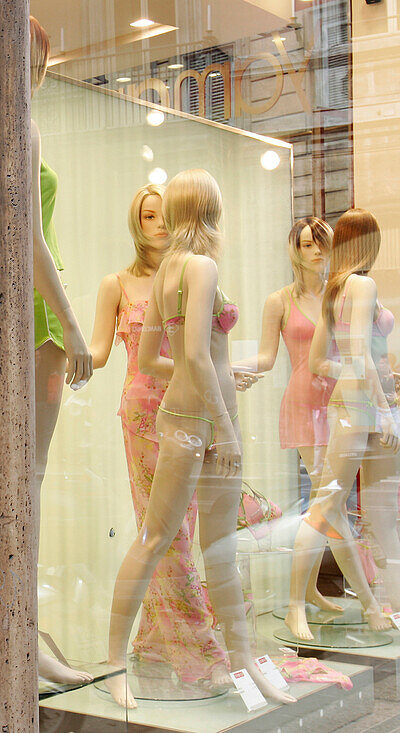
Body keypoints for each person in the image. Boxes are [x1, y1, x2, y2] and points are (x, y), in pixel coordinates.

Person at [104, 169, 295, 709]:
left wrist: (219, 373)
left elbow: (152, 361)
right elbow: (189, 356)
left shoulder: (168, 270)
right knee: (192, 546)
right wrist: (227, 429)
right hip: (203, 427)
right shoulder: (202, 266)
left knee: (184, 544)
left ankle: (241, 664)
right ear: (210, 209)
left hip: (185, 418)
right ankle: (126, 666)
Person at [89, 184, 228, 686]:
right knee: (162, 533)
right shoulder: (118, 284)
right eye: (149, 216)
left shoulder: (185, 273)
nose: (159, 224)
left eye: (165, 215)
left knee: (178, 531)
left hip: (188, 409)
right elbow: (101, 351)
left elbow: (200, 351)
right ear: (137, 222)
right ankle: (199, 650)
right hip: (144, 411)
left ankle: (153, 643)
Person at [286, 209, 400, 639]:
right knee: (333, 504)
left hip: (356, 397)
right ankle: (295, 604)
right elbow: (359, 351)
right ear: (369, 243)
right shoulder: (361, 284)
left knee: (360, 510)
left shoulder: (336, 289)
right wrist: (383, 407)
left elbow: (325, 359)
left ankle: (398, 605)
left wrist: (375, 379)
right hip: (365, 404)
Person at [232, 218, 342, 612]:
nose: (316, 252)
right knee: (328, 498)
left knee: (325, 501)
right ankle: (299, 597)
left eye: (321, 244)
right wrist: (227, 367)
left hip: (344, 401)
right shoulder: (279, 300)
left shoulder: (341, 295)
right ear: (294, 250)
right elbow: (266, 357)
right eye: (308, 244)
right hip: (304, 403)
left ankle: (307, 590)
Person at [29, 16, 93, 687]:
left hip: (37, 316)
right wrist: (72, 327)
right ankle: (25, 636)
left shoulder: (10, 123)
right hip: (41, 319)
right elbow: (32, 240)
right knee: (30, 482)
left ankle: (27, 634)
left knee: (31, 480)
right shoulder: (23, 125)